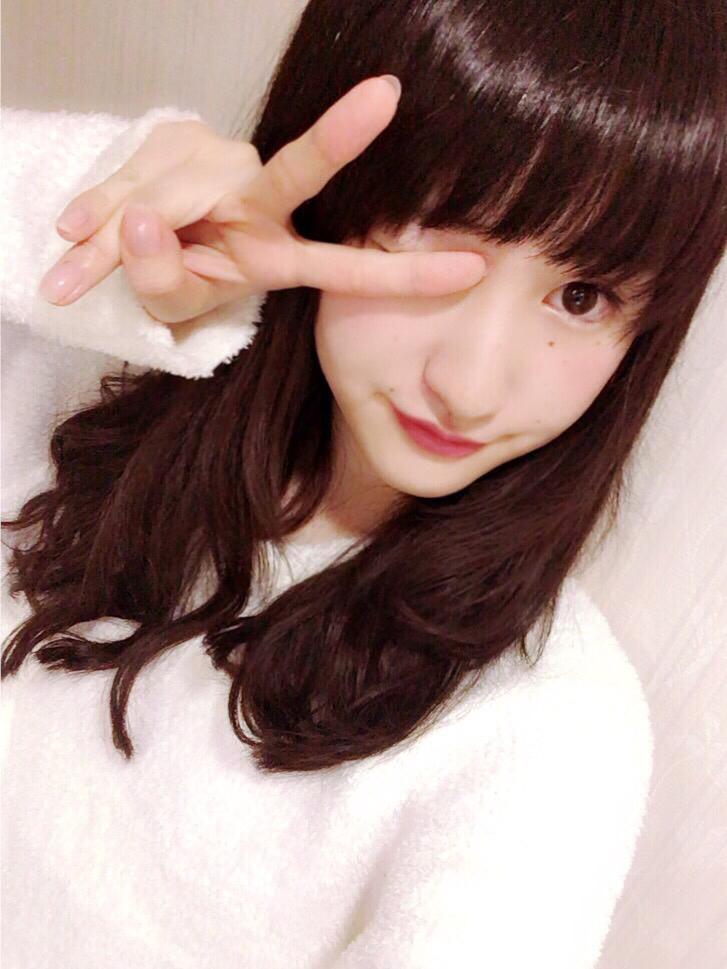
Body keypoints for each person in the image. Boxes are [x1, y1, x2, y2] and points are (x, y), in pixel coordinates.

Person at [1, 1, 724, 966]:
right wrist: (101, 205)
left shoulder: (542, 729)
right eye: (435, 240)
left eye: (580, 297)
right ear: (327, 194)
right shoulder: (73, 375)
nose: (470, 384)